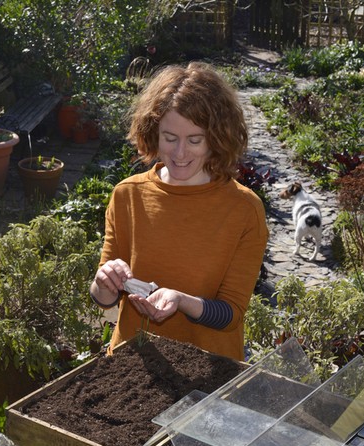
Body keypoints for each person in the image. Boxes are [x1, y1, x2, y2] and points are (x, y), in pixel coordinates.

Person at [89, 62, 268, 361]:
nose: (180, 153)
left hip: (209, 372)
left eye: (194, 140)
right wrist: (104, 281)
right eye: (170, 138)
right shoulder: (127, 195)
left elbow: (231, 314)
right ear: (153, 133)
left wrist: (181, 301)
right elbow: (103, 298)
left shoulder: (244, 210)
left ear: (217, 139)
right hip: (131, 365)